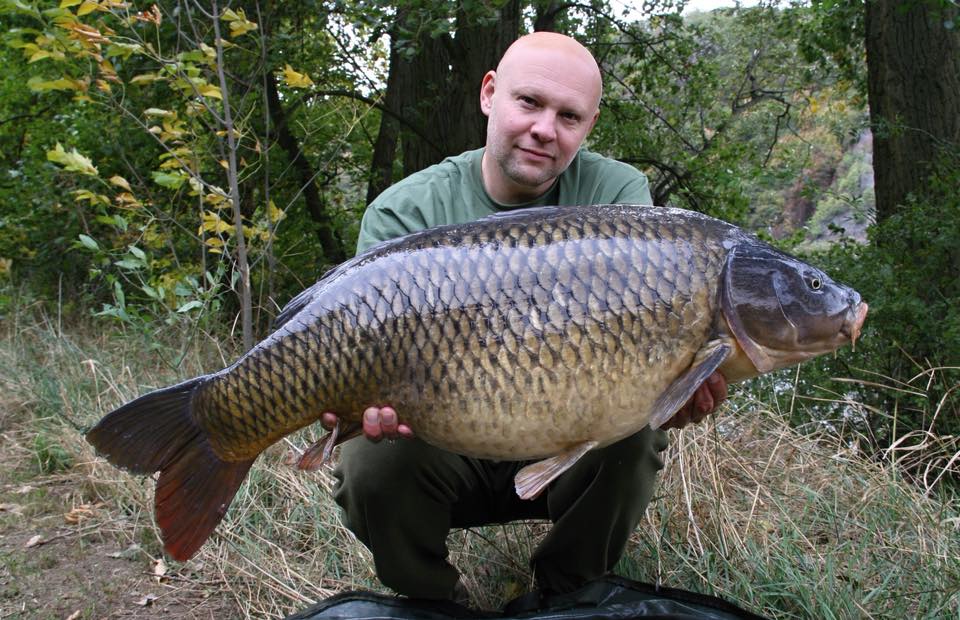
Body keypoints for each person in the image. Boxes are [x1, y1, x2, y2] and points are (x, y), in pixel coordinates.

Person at [323, 31, 727, 603]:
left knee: (635, 435)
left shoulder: (617, 198)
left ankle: (564, 596)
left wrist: (672, 393)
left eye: (569, 116)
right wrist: (353, 402)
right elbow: (358, 345)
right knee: (370, 458)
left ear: (588, 127)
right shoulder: (406, 211)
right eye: (529, 102)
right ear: (490, 94)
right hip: (444, 442)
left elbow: (647, 342)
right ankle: (435, 601)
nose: (544, 129)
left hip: (561, 443)